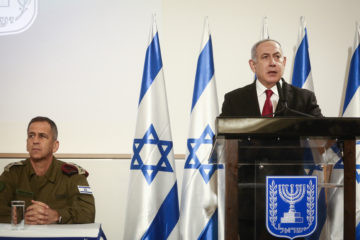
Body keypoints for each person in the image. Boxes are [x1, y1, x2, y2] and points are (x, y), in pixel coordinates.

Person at [220, 39, 323, 239]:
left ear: (284, 62)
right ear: (253, 64)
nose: (272, 62)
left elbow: (323, 134)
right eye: (265, 57)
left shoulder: (303, 99)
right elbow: (225, 142)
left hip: (291, 194)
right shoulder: (234, 100)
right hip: (249, 196)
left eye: (277, 57)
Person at [0, 116, 95, 224]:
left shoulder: (73, 175)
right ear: (27, 144)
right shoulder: (13, 173)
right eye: (31, 136)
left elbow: (88, 213)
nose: (35, 141)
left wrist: (57, 216)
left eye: (42, 136)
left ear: (55, 146)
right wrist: (21, 216)